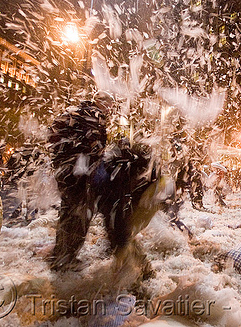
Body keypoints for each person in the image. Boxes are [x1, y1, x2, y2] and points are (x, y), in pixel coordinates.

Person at [47, 98, 168, 271]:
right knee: (108, 222)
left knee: (76, 214)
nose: (111, 110)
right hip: (85, 178)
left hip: (72, 175)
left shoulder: (79, 116)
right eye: (109, 105)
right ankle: (135, 269)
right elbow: (118, 214)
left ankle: (63, 258)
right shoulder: (93, 119)